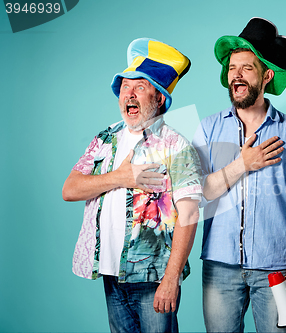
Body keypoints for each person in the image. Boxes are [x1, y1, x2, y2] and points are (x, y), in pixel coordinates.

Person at [62, 38, 202, 333]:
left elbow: (189, 215)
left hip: (153, 278)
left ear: (159, 98)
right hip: (111, 272)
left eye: (141, 87)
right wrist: (120, 177)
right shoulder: (106, 138)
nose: (130, 93)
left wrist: (171, 278)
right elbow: (70, 189)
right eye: (126, 86)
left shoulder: (176, 145)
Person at [192, 17, 286, 332]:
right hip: (220, 265)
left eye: (246, 68)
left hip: (276, 266)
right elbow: (200, 191)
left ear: (266, 75)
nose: (237, 76)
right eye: (232, 69)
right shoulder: (208, 128)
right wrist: (242, 164)